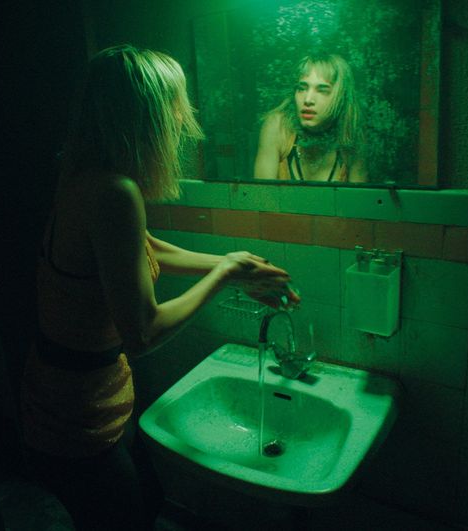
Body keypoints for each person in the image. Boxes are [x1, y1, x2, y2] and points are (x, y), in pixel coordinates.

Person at [19, 44, 299, 530]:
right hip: (75, 418)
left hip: (69, 398)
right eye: (174, 104)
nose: (182, 119)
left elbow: (149, 251)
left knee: (139, 505)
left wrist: (235, 264)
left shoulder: (87, 177)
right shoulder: (114, 193)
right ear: (144, 112)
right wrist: (226, 276)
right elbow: (143, 333)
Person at [253, 53, 367, 183]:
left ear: (341, 97)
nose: (308, 100)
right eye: (302, 88)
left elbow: (357, 201)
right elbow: (262, 198)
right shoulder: (278, 127)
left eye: (322, 90)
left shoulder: (353, 134)